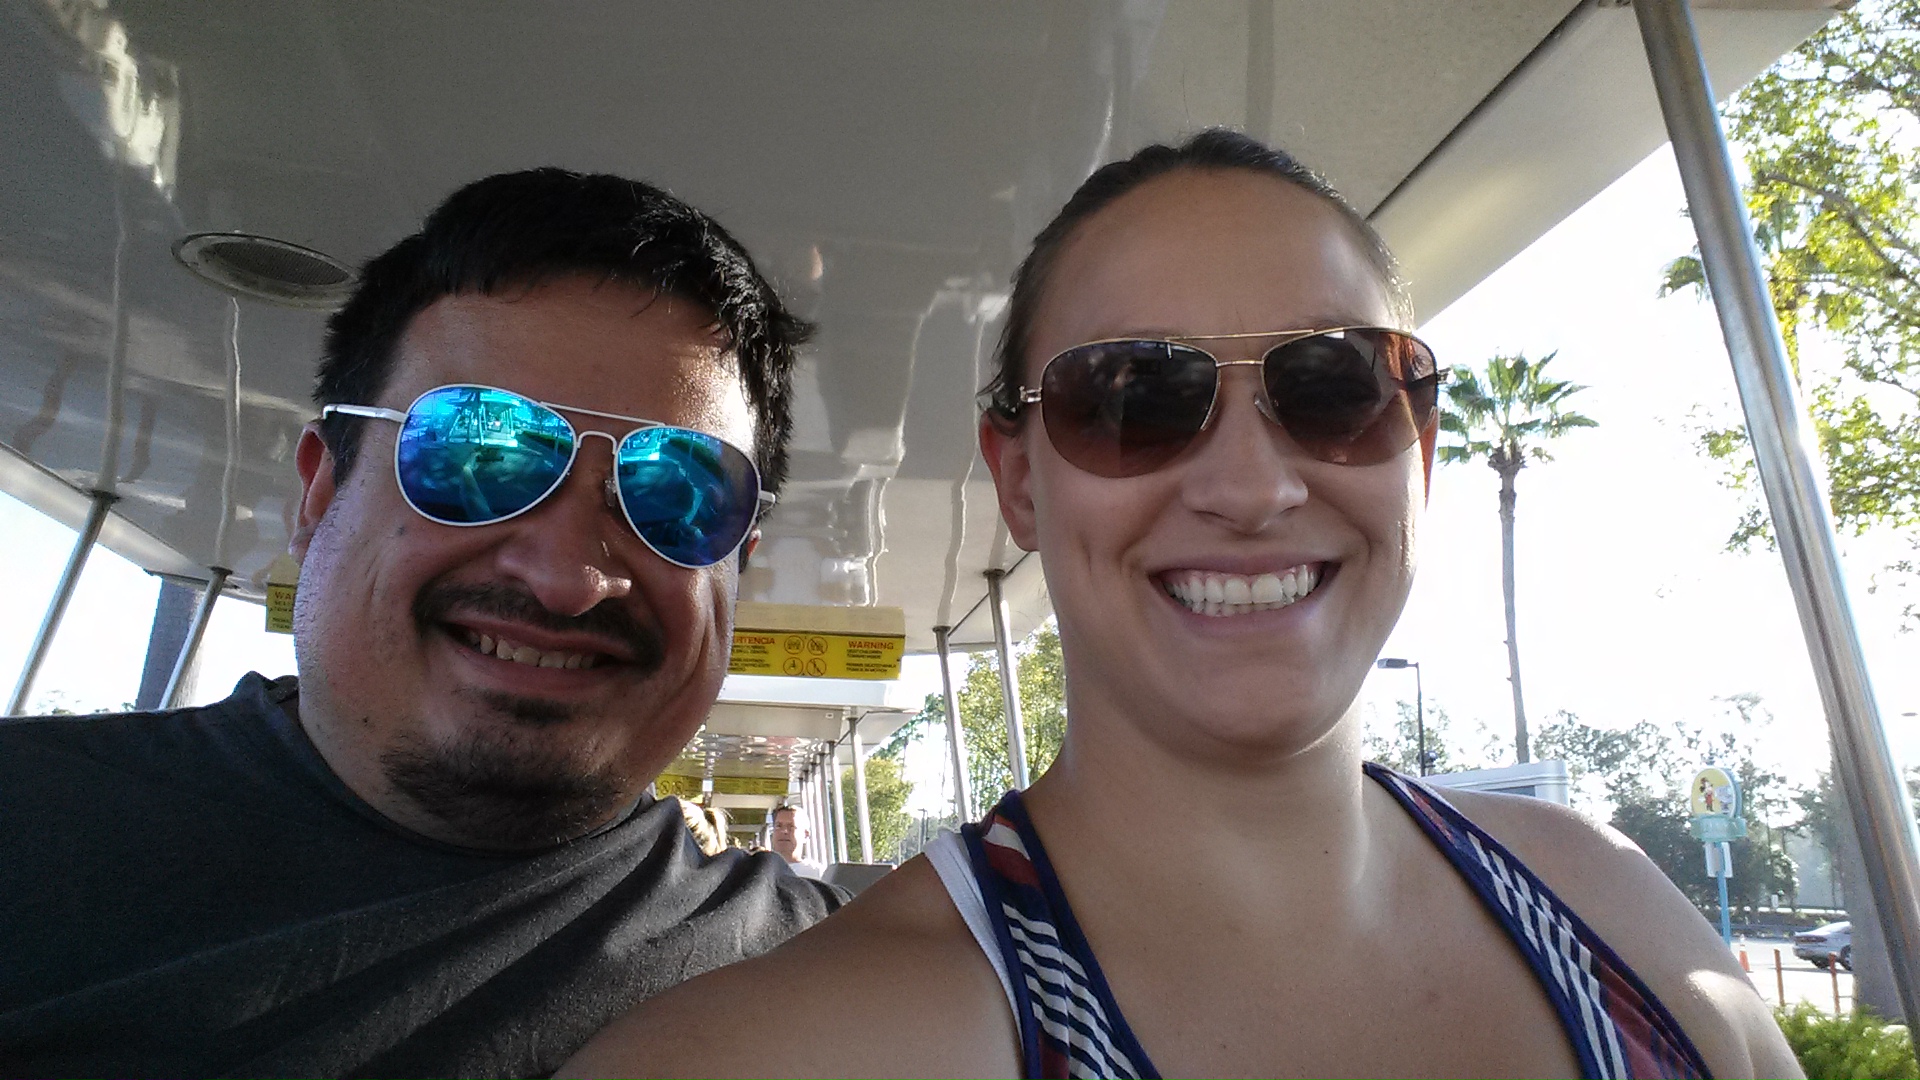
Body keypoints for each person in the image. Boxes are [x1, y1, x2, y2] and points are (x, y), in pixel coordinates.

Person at [560, 131, 1803, 1079]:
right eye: (1132, 399)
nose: (1254, 488)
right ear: (1020, 484)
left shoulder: (1615, 913)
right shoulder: (798, 1045)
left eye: (1335, 386)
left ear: (1419, 451)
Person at [0, 168, 843, 1078]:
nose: (565, 578)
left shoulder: (831, 986)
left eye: (676, 493)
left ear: (738, 562)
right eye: (478, 453)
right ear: (320, 492)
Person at [766, 803, 823, 879]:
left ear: (805, 835)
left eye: (791, 827)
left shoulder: (817, 874)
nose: (784, 831)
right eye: (778, 826)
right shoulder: (762, 870)